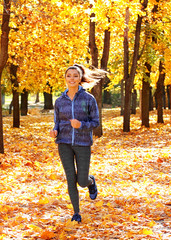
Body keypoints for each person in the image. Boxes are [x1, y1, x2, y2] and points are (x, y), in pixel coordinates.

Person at [49, 64, 106, 223]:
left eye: (75, 75)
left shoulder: (88, 99)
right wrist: (54, 131)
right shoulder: (60, 101)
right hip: (64, 143)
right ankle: (76, 213)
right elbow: (57, 122)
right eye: (69, 76)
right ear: (65, 78)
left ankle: (90, 181)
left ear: (80, 78)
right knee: (70, 178)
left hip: (82, 143)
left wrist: (81, 125)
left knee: (81, 181)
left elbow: (95, 122)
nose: (72, 78)